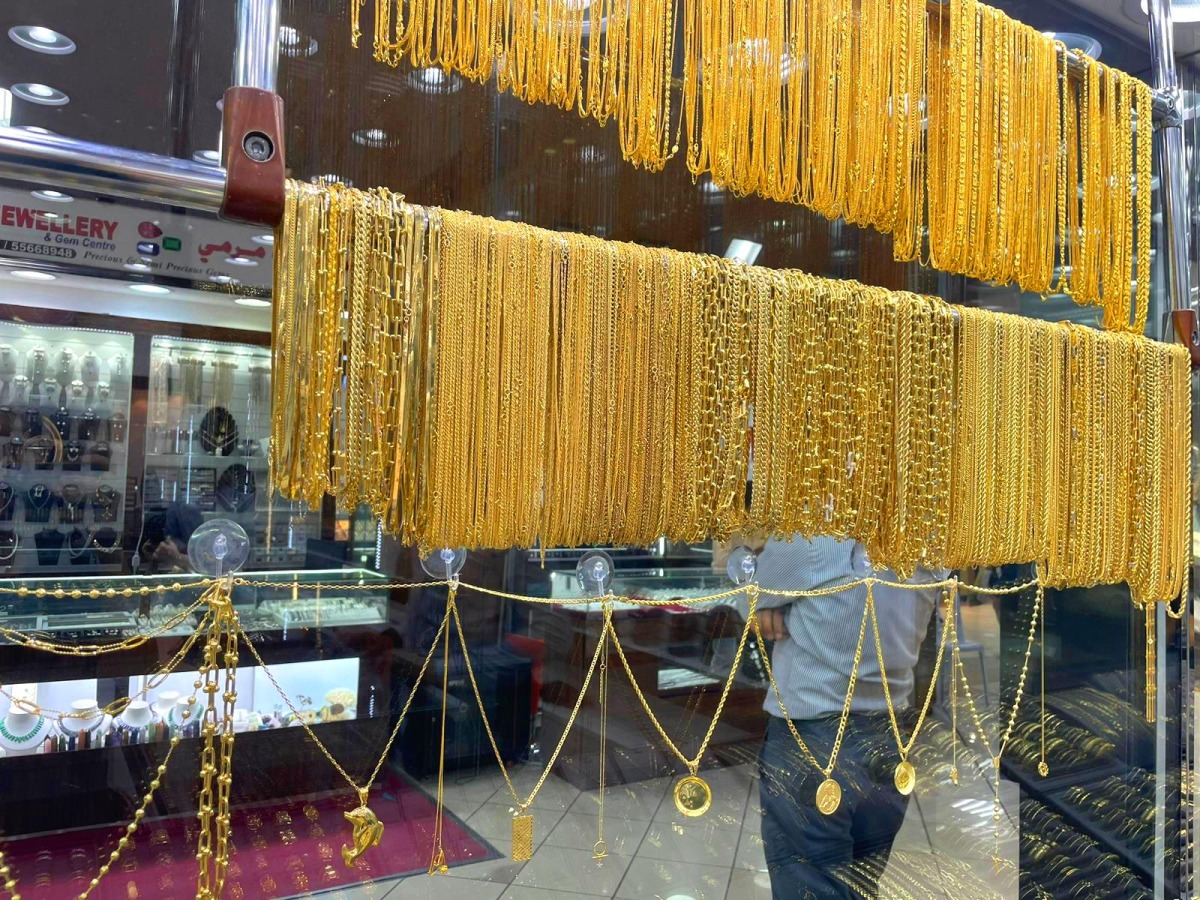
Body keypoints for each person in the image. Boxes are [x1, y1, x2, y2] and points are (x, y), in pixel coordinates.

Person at [754, 535, 940, 899]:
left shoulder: (815, 539)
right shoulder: (925, 538)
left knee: (810, 882)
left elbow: (749, 585)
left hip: (813, 739)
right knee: (861, 883)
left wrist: (764, 598)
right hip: (891, 741)